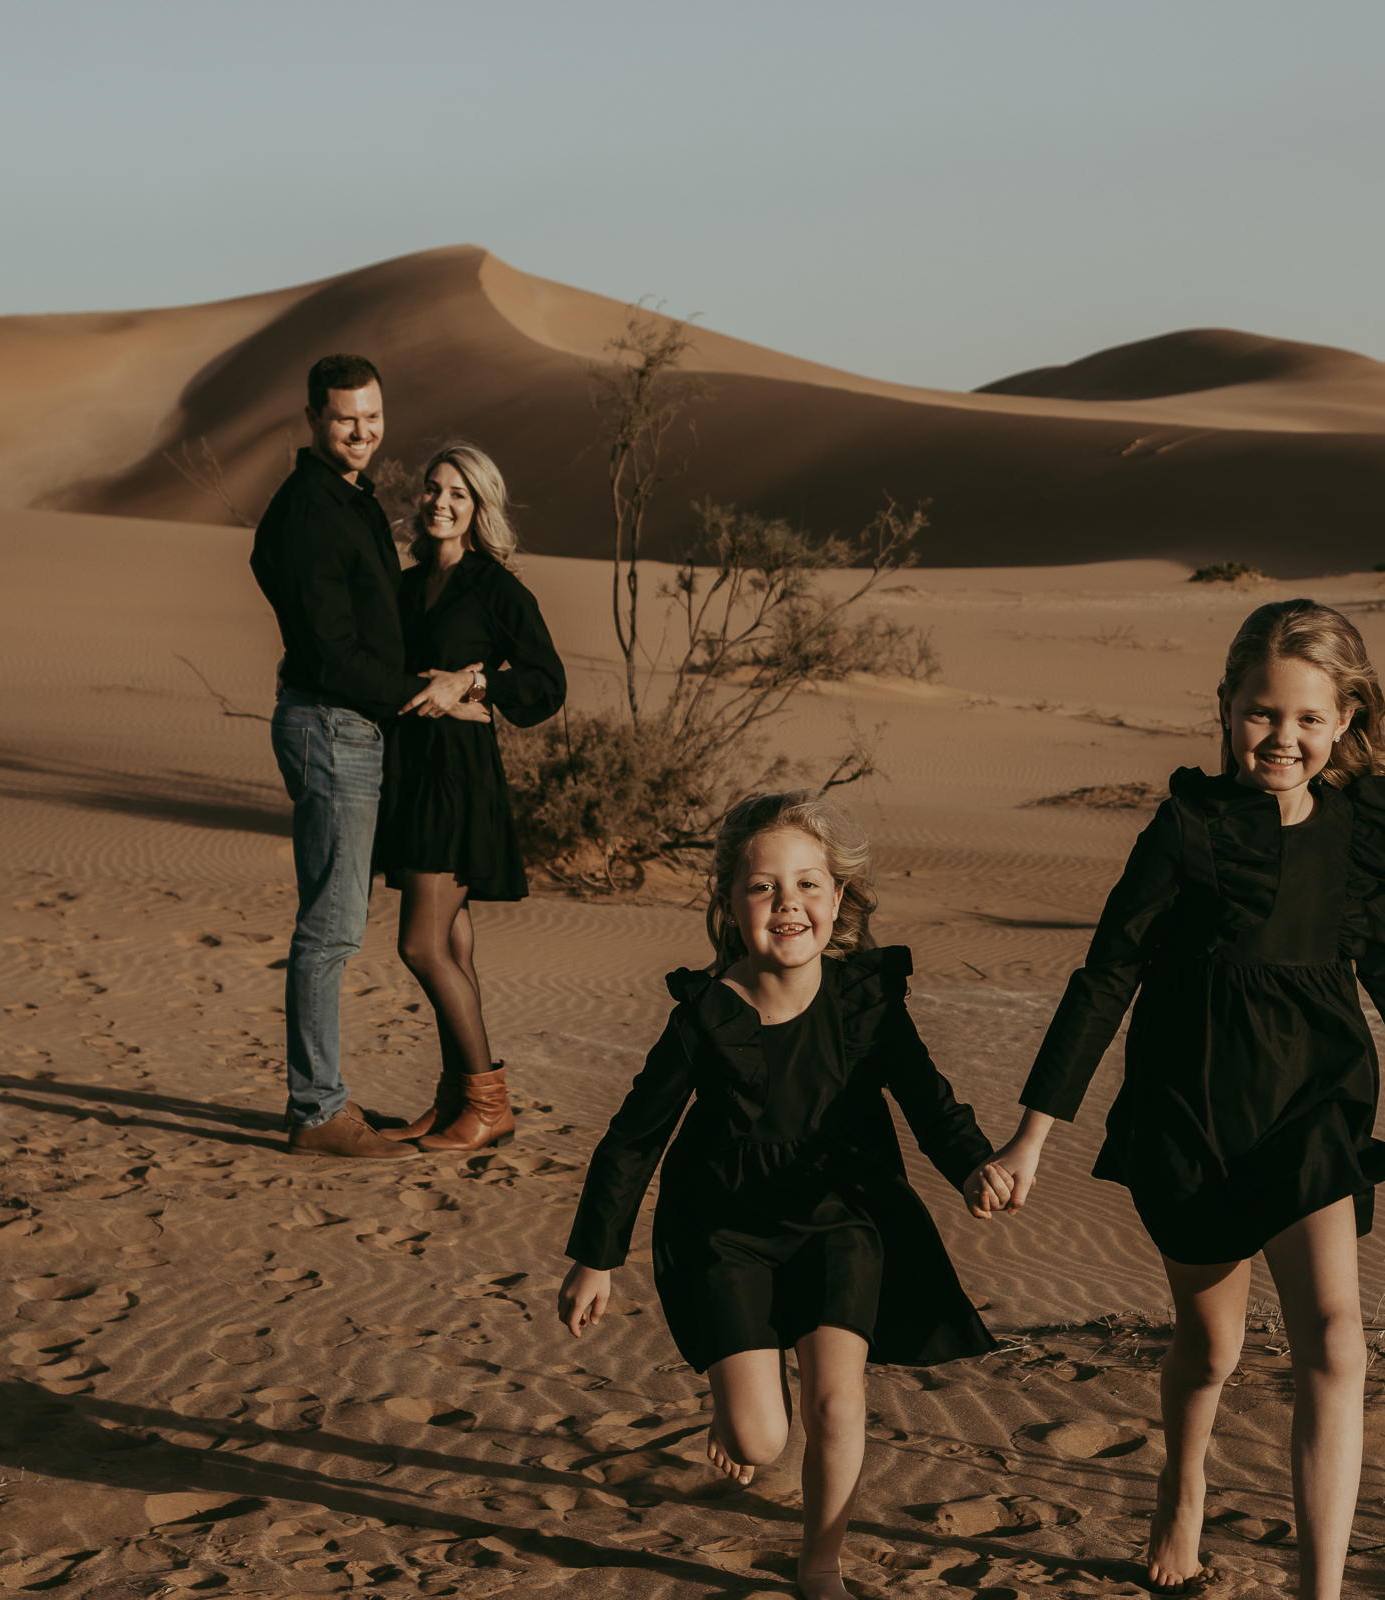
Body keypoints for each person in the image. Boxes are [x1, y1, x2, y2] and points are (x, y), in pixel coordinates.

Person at [976, 600, 1385, 1598]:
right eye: (1263, 713)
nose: (1283, 738)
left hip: (1316, 1102)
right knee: (1210, 1348)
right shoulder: (1186, 830)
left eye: (1307, 719)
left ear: (1343, 720)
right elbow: (1107, 974)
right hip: (1195, 1110)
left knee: (1335, 1341)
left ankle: (1320, 1588)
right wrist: (1031, 1134)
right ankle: (1184, 1480)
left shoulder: (1356, 834)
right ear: (1225, 708)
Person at [559, 792, 1008, 1600]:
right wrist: (596, 1258)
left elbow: (928, 1097)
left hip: (843, 1213)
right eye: (764, 888)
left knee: (837, 1401)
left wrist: (973, 1163)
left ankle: (820, 1563)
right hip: (725, 1227)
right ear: (730, 905)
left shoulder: (867, 1001)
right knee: (762, 1439)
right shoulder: (707, 1015)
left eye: (808, 885)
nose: (788, 904)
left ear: (840, 900)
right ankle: (738, 1406)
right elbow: (634, 1136)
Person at [248, 354, 477, 1161]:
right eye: (347, 417)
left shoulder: (348, 500)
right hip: (333, 725)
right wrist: (416, 690)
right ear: (314, 417)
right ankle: (316, 1111)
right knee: (331, 931)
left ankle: (322, 1101)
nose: (363, 430)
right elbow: (332, 653)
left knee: (334, 923)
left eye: (373, 415)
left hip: (349, 725)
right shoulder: (311, 512)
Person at [374, 442, 565, 1151]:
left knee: (422, 946)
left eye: (457, 493)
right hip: (413, 773)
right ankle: (456, 1098)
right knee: (452, 941)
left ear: (480, 507)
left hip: (459, 781)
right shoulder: (408, 582)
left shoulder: (496, 588)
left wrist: (475, 685)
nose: (440, 502)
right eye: (432, 489)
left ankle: (489, 1105)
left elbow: (547, 683)